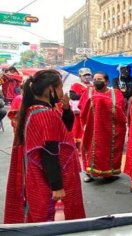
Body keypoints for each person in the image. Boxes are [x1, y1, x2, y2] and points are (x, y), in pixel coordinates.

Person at [4, 69, 85, 223]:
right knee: (51, 220)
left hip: (36, 176)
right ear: (50, 89)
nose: (63, 92)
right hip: (47, 180)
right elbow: (50, 152)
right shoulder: (45, 114)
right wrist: (57, 186)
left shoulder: (32, 110)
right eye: (60, 87)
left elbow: (62, 131)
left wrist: (66, 109)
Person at [79, 72, 127, 182]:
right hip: (93, 128)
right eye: (95, 79)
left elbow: (119, 110)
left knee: (108, 151)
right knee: (90, 149)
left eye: (99, 79)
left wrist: (101, 102)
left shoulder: (116, 93)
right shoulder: (89, 91)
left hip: (110, 128)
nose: (96, 81)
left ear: (107, 81)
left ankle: (109, 172)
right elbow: (83, 109)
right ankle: (89, 173)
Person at [69, 67, 92, 148]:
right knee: (78, 128)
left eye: (88, 75)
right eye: (85, 75)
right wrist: (85, 96)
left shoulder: (92, 85)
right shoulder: (76, 85)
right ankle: (76, 146)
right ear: (80, 76)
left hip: (90, 111)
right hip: (79, 112)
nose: (87, 77)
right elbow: (72, 96)